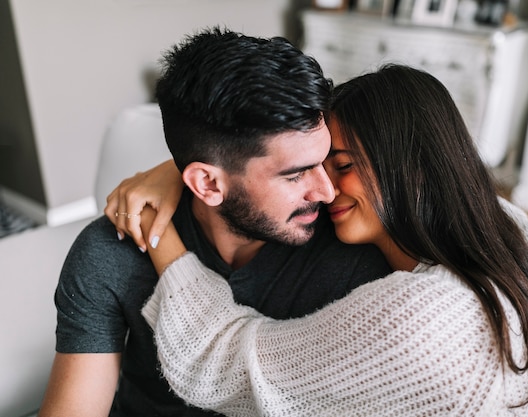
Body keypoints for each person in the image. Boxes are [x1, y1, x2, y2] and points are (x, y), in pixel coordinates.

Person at [107, 65, 528, 416]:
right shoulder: (495, 241)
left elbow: (221, 361)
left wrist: (161, 234)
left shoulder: (429, 318)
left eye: (340, 166)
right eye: (308, 169)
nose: (321, 191)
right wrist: (184, 172)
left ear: (413, 170)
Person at [38, 27, 391, 417]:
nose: (326, 192)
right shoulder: (109, 252)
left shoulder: (354, 254)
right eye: (296, 174)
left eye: (325, 161)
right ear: (206, 183)